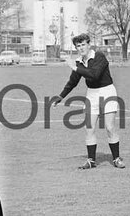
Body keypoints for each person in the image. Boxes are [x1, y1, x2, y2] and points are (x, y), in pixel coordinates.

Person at [53, 33, 125, 169]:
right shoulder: (79, 62)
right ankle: (91, 160)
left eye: (83, 44)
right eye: (78, 46)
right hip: (92, 94)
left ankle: (116, 159)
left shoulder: (99, 56)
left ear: (89, 44)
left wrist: (75, 67)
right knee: (89, 128)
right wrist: (61, 96)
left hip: (107, 91)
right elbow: (72, 82)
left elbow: (94, 75)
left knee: (110, 127)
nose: (81, 48)